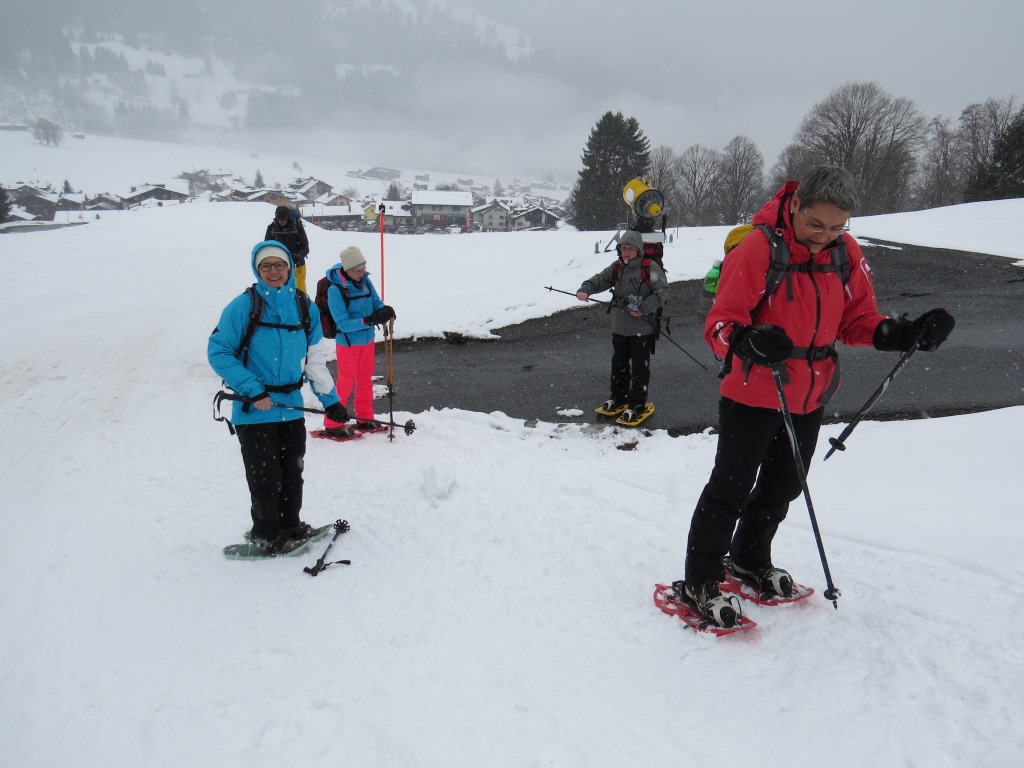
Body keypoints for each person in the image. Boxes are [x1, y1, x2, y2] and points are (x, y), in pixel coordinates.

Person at [677, 165, 955, 628]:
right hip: (753, 391)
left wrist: (900, 332)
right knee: (730, 489)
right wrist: (745, 340)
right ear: (797, 206)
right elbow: (720, 324)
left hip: (810, 394)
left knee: (784, 486)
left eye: (837, 226)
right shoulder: (758, 247)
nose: (825, 236)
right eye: (816, 224)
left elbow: (857, 319)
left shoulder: (845, 253)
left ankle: (749, 559)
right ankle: (699, 579)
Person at [208, 240, 350, 553]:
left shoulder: (303, 306)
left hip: (292, 408)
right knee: (265, 478)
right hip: (255, 409)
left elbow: (314, 360)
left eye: (279, 265)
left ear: (289, 267)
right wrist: (252, 388)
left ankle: (291, 526)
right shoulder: (243, 306)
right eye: (266, 266)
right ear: (257, 270)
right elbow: (218, 351)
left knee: (292, 473)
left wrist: (331, 401)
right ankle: (266, 533)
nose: (273, 271)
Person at [576, 229, 667, 425]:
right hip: (619, 327)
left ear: (638, 250)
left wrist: (643, 307)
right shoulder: (617, 267)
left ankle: (637, 404)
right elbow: (600, 279)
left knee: (639, 368)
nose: (626, 252)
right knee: (619, 363)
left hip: (642, 329)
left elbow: (663, 293)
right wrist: (586, 289)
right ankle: (618, 398)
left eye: (630, 249)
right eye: (623, 248)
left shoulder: (650, 267)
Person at [321, 246, 396, 436]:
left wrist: (384, 310)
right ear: (347, 268)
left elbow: (376, 303)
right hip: (347, 343)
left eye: (363, 268)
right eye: (357, 269)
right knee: (345, 383)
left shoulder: (365, 281)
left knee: (365, 380)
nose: (361, 272)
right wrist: (368, 320)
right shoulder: (335, 290)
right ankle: (332, 423)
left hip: (367, 341)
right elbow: (343, 323)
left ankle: (365, 417)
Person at [265, 205, 310, 294]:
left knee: (300, 291)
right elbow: (267, 247)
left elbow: (305, 246)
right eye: (279, 220)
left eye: (283, 220)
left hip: (298, 265)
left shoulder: (297, 227)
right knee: (281, 290)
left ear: (288, 217)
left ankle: (303, 307)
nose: (281, 222)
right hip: (279, 266)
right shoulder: (272, 228)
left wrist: (299, 255)